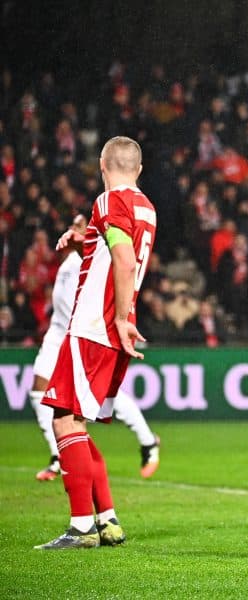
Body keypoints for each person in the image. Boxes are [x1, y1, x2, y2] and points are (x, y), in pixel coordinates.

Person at [35, 136, 157, 549]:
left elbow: (122, 260)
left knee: (63, 420)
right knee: (78, 427)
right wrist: (82, 243)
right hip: (113, 329)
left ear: (103, 165)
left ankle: (81, 526)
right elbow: (116, 252)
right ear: (138, 169)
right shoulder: (147, 208)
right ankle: (106, 519)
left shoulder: (108, 202)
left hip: (95, 326)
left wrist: (119, 319)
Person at [30, 215, 161, 482]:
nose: (72, 229)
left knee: (100, 399)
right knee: (39, 391)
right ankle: (58, 455)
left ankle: (148, 440)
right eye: (71, 224)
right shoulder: (69, 261)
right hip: (58, 333)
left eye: (78, 225)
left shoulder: (95, 262)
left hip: (81, 334)